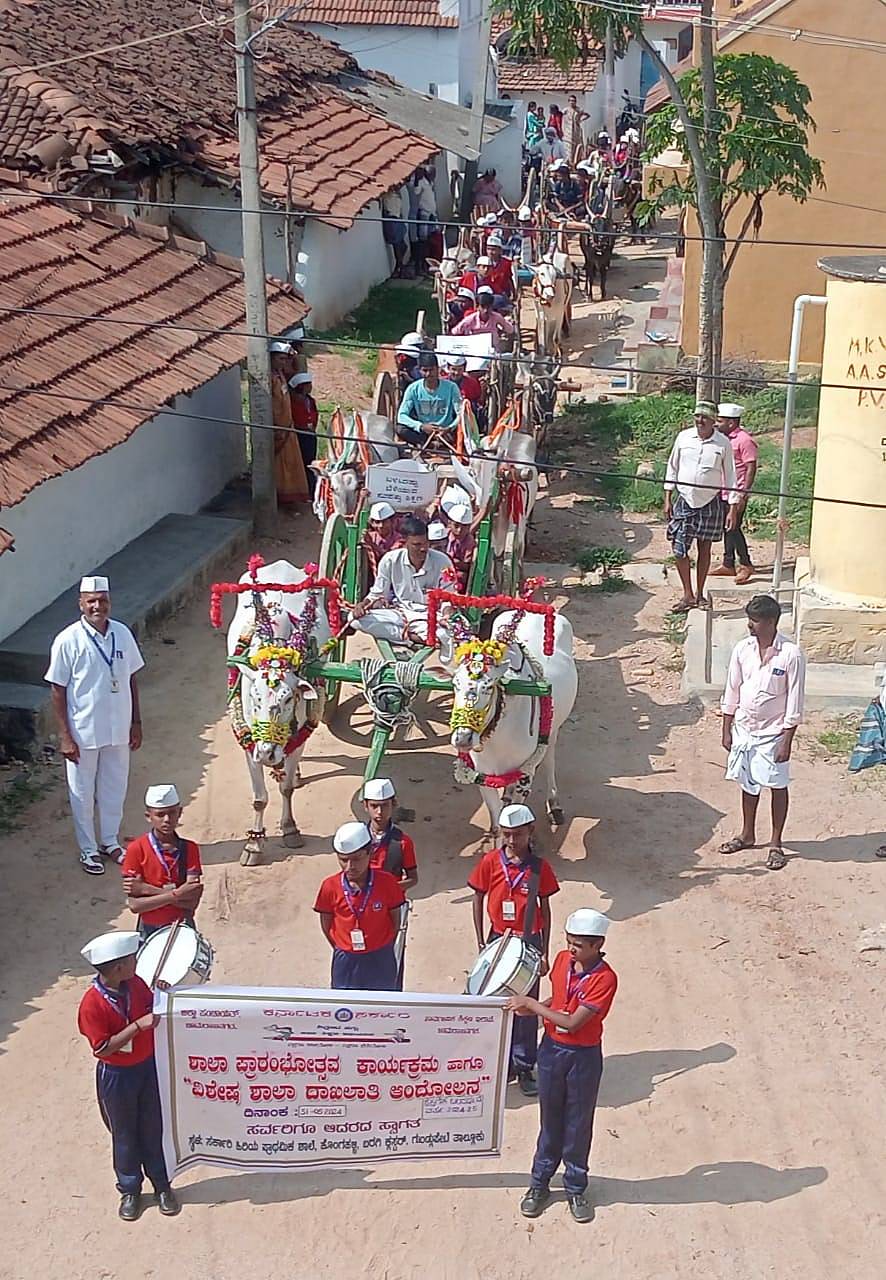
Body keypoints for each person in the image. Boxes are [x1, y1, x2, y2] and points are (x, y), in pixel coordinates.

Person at [508, 909, 616, 1224]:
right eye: (569, 942)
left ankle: (575, 1186)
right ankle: (539, 1184)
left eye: (579, 945)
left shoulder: (605, 979)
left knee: (577, 1124)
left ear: (598, 945)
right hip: (551, 1052)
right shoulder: (561, 961)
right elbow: (558, 1001)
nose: (571, 950)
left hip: (582, 1057)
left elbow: (571, 1023)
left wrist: (531, 1005)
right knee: (550, 1120)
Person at [77, 930, 179, 1220]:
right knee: (124, 1134)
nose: (137, 963)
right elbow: (104, 1048)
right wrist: (137, 1027)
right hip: (118, 1076)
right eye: (132, 959)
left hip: (147, 1067)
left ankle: (162, 1185)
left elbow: (151, 1007)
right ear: (118, 967)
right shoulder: (91, 1005)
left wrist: (160, 991)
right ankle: (130, 1190)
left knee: (153, 1128)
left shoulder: (135, 983)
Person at [46, 576, 144, 876]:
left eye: (102, 600)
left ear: (109, 602)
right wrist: (65, 736)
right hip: (83, 731)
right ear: (81, 604)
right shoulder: (68, 640)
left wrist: (136, 721)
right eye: (91, 601)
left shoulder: (122, 634)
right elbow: (57, 689)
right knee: (82, 792)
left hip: (118, 728)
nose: (97, 606)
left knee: (115, 787)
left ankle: (110, 841)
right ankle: (89, 850)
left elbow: (131, 678)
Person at [468, 803, 560, 1096]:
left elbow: (545, 907)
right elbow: (477, 897)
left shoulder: (539, 868)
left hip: (528, 941)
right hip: (498, 939)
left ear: (530, 831)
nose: (511, 841)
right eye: (506, 834)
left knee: (526, 1007)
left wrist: (544, 951)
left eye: (517, 835)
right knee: (496, 1003)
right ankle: (500, 1061)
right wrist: (482, 941)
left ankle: (523, 1065)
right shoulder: (490, 862)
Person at [719, 595, 806, 871]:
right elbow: (732, 688)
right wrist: (727, 727)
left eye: (755, 621)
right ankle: (747, 834)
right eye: (750, 619)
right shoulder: (742, 649)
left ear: (770, 622)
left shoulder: (791, 654)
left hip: (773, 733)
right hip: (745, 728)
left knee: (777, 785)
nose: (750, 625)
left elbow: (795, 698)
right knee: (748, 782)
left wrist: (787, 739)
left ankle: (776, 843)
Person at [664, 402, 740, 613]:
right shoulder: (684, 438)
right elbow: (672, 466)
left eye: (704, 418)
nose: (700, 421)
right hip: (685, 500)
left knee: (704, 548)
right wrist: (667, 497)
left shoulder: (722, 443)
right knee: (679, 550)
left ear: (713, 421)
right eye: (697, 417)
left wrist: (733, 507)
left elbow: (731, 476)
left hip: (710, 501)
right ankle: (687, 595)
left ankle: (699, 594)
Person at [314, 821, 405, 990]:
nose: (350, 867)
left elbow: (395, 920)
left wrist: (381, 944)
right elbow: (326, 924)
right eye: (343, 860)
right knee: (345, 1009)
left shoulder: (387, 883)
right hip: (346, 959)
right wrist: (343, 945)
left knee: (382, 1007)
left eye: (356, 859)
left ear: (369, 853)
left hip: (381, 957)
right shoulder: (329, 886)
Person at [350, 514, 454, 644]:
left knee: (447, 635)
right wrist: (362, 605)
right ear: (404, 543)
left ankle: (408, 635)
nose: (423, 549)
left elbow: (448, 598)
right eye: (416, 545)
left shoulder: (443, 561)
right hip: (400, 613)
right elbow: (377, 594)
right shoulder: (390, 560)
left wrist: (448, 616)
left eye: (426, 543)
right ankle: (409, 636)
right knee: (354, 620)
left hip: (432, 617)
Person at [122, 784, 203, 940]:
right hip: (149, 928)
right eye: (160, 814)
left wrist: (146, 889)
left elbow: (191, 902)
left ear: (179, 813)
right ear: (148, 816)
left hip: (181, 925)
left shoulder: (190, 848)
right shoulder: (136, 849)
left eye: (172, 813)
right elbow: (135, 905)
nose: (167, 820)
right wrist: (178, 894)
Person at [363, 777, 418, 989]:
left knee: (390, 960)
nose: (379, 812)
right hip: (361, 908)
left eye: (384, 806)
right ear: (365, 806)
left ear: (393, 805)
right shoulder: (356, 838)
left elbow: (413, 878)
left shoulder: (402, 842)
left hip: (391, 910)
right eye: (374, 806)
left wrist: (387, 889)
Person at [710, 403, 758, 583]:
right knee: (727, 528)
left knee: (734, 528)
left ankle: (745, 564)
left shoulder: (744, 440)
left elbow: (751, 466)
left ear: (731, 423)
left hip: (736, 492)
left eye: (720, 421)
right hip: (723, 491)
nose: (716, 424)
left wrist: (744, 492)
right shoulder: (723, 438)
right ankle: (728, 563)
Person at [270, 342, 310, 505]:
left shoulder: (281, 376)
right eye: (280, 359)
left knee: (291, 464)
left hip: (288, 427)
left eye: (285, 359)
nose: (283, 362)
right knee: (280, 466)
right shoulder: (270, 379)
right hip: (277, 429)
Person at [396, 351, 462, 448]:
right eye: (425, 370)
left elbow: (460, 413)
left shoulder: (451, 387)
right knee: (400, 429)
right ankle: (429, 445)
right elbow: (401, 416)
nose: (428, 374)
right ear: (419, 370)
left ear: (438, 369)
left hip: (446, 432)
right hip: (424, 433)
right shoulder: (413, 388)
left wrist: (449, 428)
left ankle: (443, 443)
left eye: (431, 370)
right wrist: (421, 426)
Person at [452, 286, 515, 351]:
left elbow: (510, 329)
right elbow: (455, 331)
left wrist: (502, 330)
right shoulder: (470, 319)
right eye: (483, 307)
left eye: (488, 307)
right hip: (475, 351)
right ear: (477, 307)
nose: (485, 310)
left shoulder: (496, 317)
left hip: (493, 350)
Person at [288, 371, 319, 498]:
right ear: (301, 386)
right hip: (299, 435)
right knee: (302, 463)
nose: (310, 387)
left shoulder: (310, 400)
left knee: (310, 463)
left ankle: (311, 490)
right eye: (308, 384)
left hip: (310, 435)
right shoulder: (293, 402)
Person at [443, 501, 476, 590]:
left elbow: (468, 566)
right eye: (456, 526)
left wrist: (452, 561)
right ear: (450, 523)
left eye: (464, 527)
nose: (459, 530)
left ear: (469, 527)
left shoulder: (469, 541)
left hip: (456, 572)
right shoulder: (444, 535)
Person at [364, 501, 402, 573]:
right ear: (372, 523)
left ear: (392, 521)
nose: (381, 526)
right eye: (377, 522)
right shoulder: (369, 536)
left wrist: (372, 545)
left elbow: (388, 558)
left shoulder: (399, 539)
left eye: (384, 522)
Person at [381, 186, 408, 277]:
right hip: (391, 218)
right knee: (396, 244)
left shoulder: (397, 193)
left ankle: (399, 265)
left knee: (403, 245)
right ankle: (399, 267)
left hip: (398, 217)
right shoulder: (386, 193)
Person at [484, 235, 515, 307]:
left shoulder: (506, 263)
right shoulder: (483, 263)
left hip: (503, 295)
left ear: (500, 250)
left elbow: (510, 279)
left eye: (493, 250)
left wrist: (513, 294)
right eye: (488, 249)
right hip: (486, 295)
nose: (490, 252)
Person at [562, 95, 589, 164]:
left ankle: (575, 163)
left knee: (576, 147)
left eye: (573, 101)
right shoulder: (566, 110)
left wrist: (581, 120)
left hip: (576, 131)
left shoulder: (578, 110)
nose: (572, 102)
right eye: (570, 101)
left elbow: (587, 115)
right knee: (568, 148)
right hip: (568, 132)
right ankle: (569, 163)